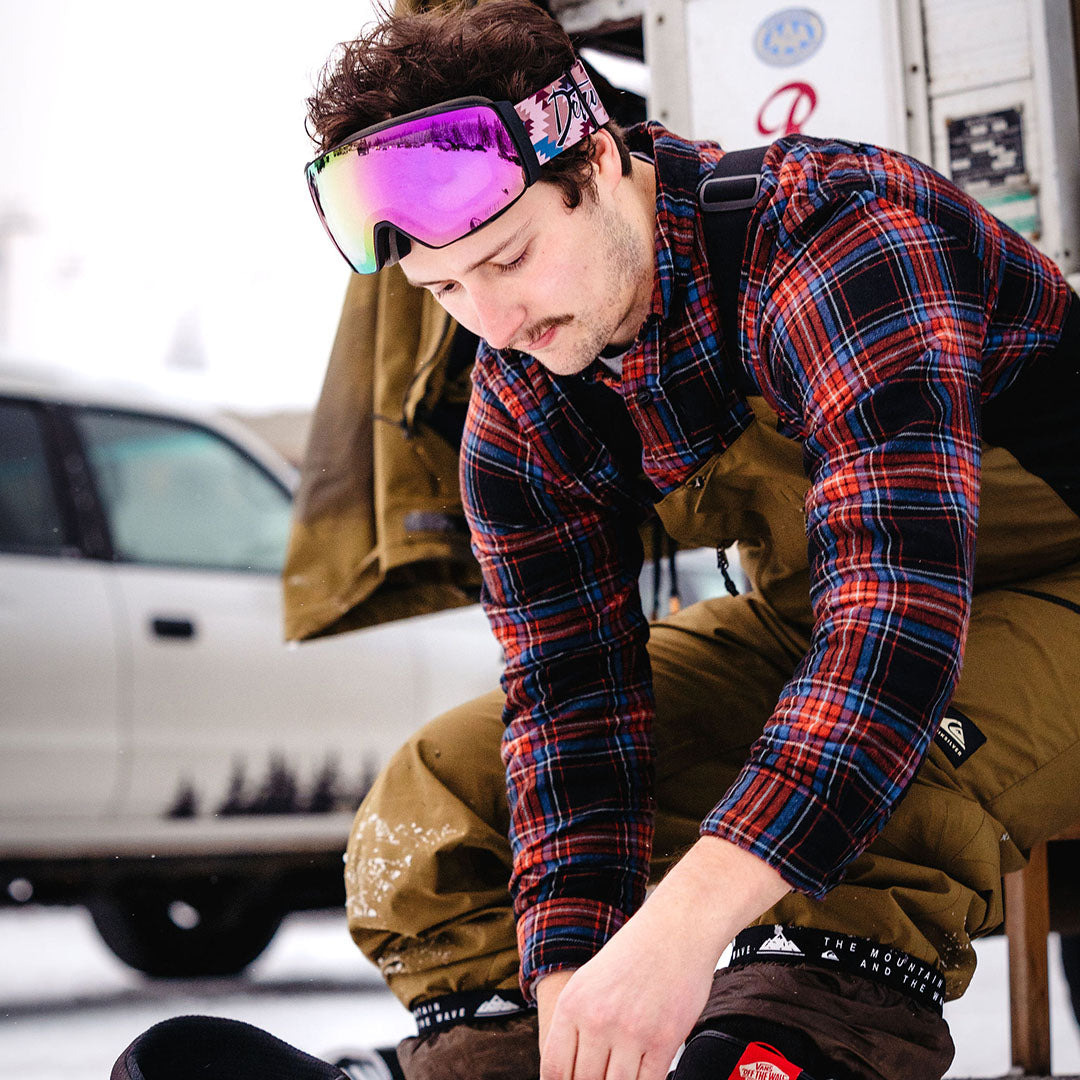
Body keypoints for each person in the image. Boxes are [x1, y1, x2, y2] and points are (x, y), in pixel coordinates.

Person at [302, 3, 1080, 1079]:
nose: (494, 321)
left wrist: (683, 928)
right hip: (816, 616)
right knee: (447, 788)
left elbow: (891, 626)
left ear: (603, 159)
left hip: (1041, 592)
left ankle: (773, 1055)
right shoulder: (523, 403)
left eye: (512, 257)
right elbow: (574, 700)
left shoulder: (837, 238)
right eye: (443, 290)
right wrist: (571, 963)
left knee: (899, 770)